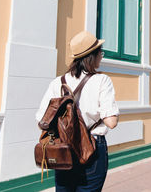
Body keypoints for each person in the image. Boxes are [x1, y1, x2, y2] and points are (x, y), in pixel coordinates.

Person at [36, 30, 119, 191]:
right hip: (92, 148)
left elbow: (41, 119)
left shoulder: (57, 83)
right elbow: (111, 122)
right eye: (100, 52)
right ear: (92, 56)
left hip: (63, 148)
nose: (102, 56)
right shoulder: (102, 80)